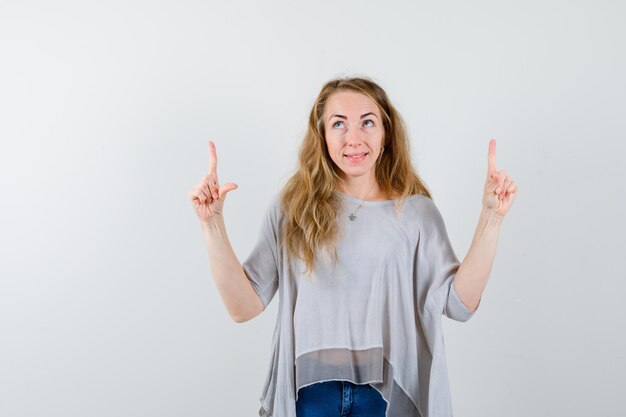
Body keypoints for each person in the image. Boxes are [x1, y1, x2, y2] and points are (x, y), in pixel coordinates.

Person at [188, 76, 517, 417]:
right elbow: (243, 307)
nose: (354, 138)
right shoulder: (293, 208)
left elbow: (459, 304)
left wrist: (491, 218)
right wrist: (211, 223)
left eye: (367, 122)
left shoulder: (416, 214)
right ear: (322, 136)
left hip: (387, 398)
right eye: (339, 124)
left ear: (386, 133)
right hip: (310, 398)